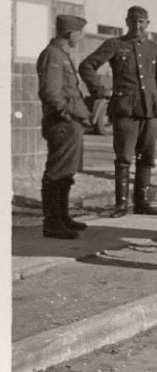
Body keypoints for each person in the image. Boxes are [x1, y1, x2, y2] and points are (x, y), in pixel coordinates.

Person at [79, 6, 157, 217]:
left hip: (150, 110)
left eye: (142, 22)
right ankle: (121, 204)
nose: (137, 26)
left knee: (146, 158)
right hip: (125, 110)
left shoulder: (154, 48)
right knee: (124, 158)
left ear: (148, 24)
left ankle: (142, 203)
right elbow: (87, 66)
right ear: (126, 22)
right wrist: (101, 91)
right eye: (133, 21)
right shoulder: (115, 45)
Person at [37, 14, 91, 239]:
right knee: (57, 172)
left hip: (70, 123)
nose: (81, 36)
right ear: (70, 33)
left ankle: (62, 215)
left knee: (66, 173)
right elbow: (50, 91)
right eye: (79, 32)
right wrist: (66, 114)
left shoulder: (61, 54)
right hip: (63, 123)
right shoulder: (53, 55)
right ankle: (52, 222)